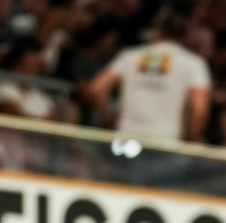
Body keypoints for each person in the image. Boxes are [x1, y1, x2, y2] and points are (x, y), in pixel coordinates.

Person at [83, 9, 210, 142]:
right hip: (166, 141)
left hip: (127, 137)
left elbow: (97, 89)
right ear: (187, 34)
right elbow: (199, 108)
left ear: (157, 31)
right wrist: (192, 138)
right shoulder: (193, 63)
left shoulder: (131, 56)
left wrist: (109, 120)